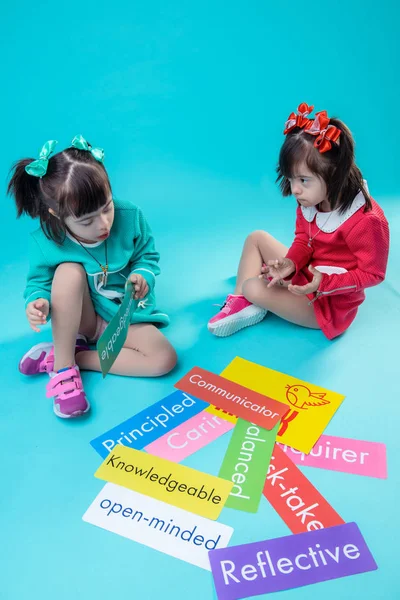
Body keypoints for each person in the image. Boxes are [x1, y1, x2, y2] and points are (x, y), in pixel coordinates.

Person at [8, 135, 177, 419]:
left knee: (165, 359)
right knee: (68, 271)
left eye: (107, 208)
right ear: (57, 214)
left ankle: (76, 358)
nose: (103, 225)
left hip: (125, 318)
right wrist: (37, 302)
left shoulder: (131, 216)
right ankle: (63, 370)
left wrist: (142, 274)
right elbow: (38, 283)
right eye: (86, 221)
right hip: (82, 319)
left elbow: (147, 255)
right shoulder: (46, 241)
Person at [208, 103, 389, 340]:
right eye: (291, 179)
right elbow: (304, 240)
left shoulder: (366, 221)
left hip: (326, 304)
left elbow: (373, 274)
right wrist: (291, 263)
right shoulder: (311, 199)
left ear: (334, 174)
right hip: (306, 275)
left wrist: (323, 283)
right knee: (256, 238)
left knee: (252, 285)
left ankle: (251, 295)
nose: (294, 189)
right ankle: (243, 302)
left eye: (303, 180)